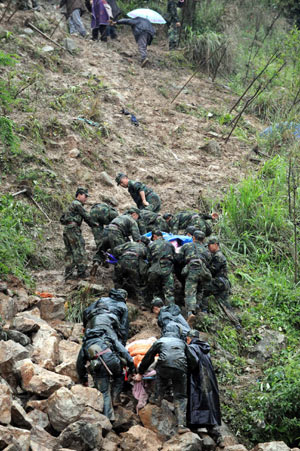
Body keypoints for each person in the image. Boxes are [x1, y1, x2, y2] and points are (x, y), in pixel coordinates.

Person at [134, 327, 198, 433]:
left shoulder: (160, 341)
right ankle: (181, 425)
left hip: (164, 368)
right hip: (180, 369)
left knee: (161, 376)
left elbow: (148, 358)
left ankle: (157, 398)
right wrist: (187, 370)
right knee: (181, 397)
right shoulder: (182, 343)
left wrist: (140, 372)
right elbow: (193, 360)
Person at [76, 327, 135, 420]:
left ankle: (109, 418)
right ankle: (115, 396)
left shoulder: (85, 344)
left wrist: (84, 379)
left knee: (104, 392)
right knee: (120, 376)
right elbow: (123, 351)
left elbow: (80, 364)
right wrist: (132, 366)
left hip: (99, 367)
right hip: (113, 362)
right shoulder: (108, 338)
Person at [186, 329, 223, 447]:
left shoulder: (192, 348)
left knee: (196, 402)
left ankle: (194, 427)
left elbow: (192, 363)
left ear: (188, 339)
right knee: (208, 404)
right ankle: (216, 435)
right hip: (208, 381)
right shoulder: (205, 350)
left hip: (197, 380)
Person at [60, 187, 97, 280]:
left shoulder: (70, 205)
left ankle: (68, 273)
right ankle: (81, 272)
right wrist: (95, 224)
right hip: (73, 229)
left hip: (67, 229)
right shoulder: (77, 204)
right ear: (79, 195)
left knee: (70, 252)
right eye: (85, 196)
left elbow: (62, 219)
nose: (86, 198)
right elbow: (86, 216)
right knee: (79, 249)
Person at [177, 230, 212, 322]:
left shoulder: (186, 246)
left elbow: (178, 259)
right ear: (203, 239)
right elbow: (209, 262)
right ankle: (197, 306)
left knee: (190, 291)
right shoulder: (206, 250)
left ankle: (190, 312)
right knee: (200, 289)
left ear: (193, 238)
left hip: (192, 269)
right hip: (203, 271)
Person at [113, 238, 149, 308]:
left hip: (122, 261)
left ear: (139, 240)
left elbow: (116, 249)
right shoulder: (145, 249)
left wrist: (117, 256)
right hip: (133, 264)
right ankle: (142, 304)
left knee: (117, 280)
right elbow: (146, 259)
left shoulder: (130, 243)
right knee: (137, 284)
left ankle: (115, 298)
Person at [201, 236, 231, 313]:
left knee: (202, 289)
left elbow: (212, 270)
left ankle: (204, 312)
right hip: (222, 282)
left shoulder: (218, 256)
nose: (208, 248)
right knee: (226, 306)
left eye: (209, 245)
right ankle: (237, 323)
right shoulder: (217, 255)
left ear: (215, 244)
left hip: (219, 282)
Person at [147, 231, 176, 305]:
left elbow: (148, 258)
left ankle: (157, 307)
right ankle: (171, 309)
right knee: (169, 291)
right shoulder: (170, 244)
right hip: (168, 269)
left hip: (155, 268)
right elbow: (174, 256)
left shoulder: (151, 245)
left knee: (155, 289)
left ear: (155, 236)